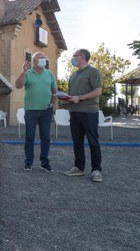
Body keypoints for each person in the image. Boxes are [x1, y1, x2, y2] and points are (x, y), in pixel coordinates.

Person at [63, 48, 103, 182]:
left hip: (89, 112)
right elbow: (72, 94)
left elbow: (98, 91)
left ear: (83, 57)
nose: (73, 58)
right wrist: (66, 98)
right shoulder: (73, 75)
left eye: (75, 55)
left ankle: (96, 170)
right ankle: (79, 167)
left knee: (93, 141)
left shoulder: (93, 71)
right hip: (75, 112)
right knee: (77, 142)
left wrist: (79, 97)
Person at [15, 52, 57, 172]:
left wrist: (52, 104)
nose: (44, 59)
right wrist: (23, 72)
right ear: (34, 62)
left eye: (44, 57)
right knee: (30, 137)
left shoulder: (49, 73)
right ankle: (28, 162)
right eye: (41, 58)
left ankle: (44, 162)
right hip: (31, 110)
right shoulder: (28, 73)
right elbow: (18, 85)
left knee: (46, 137)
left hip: (46, 111)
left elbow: (55, 91)